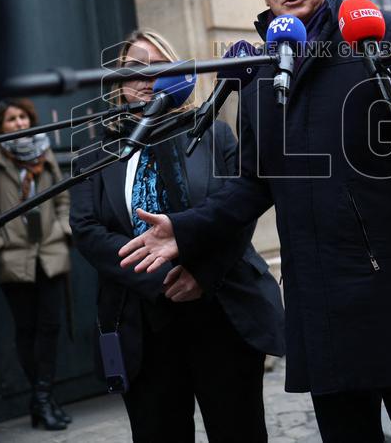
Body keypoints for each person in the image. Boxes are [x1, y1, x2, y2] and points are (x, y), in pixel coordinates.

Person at [118, 0, 391, 442]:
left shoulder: (377, 33)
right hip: (319, 300)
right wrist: (184, 229)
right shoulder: (255, 73)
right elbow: (252, 183)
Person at [70, 29, 285, 443]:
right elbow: (87, 230)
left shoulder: (213, 133)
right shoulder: (94, 153)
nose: (146, 77)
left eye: (158, 65)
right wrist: (158, 273)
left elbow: (237, 213)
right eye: (134, 69)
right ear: (118, 83)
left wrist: (199, 273)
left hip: (221, 309)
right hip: (143, 323)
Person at [0, 98, 72, 430]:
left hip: (49, 252)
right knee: (26, 330)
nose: (19, 123)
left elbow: (63, 196)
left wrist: (62, 229)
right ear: (0, 126)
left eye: (23, 117)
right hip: (13, 259)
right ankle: (45, 400)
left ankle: (42, 399)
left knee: (50, 326)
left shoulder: (44, 151)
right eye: (11, 119)